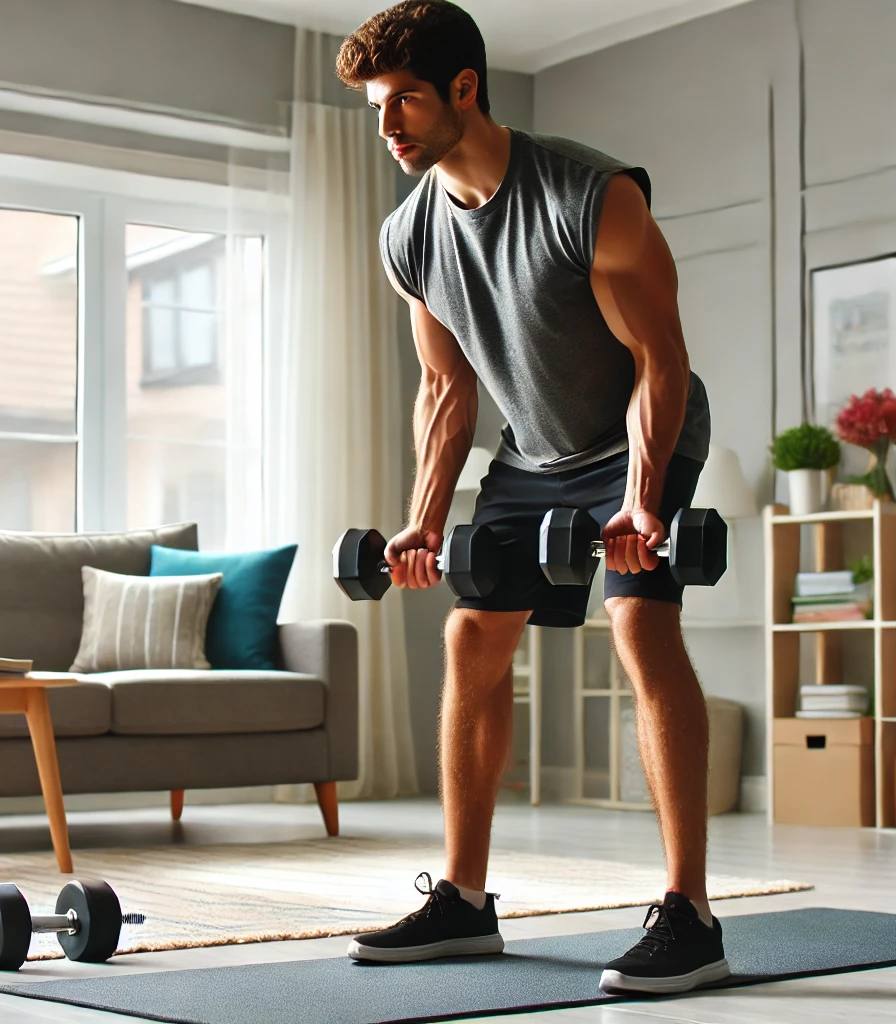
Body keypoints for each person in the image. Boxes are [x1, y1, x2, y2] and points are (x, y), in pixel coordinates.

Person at [334, 0, 726, 998]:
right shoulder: (409, 233)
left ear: (465, 88)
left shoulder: (589, 196)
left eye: (405, 103)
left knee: (640, 627)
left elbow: (658, 359)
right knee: (472, 639)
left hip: (644, 428)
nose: (389, 129)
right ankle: (463, 902)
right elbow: (446, 386)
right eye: (379, 109)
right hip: (532, 455)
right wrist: (424, 516)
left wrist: (640, 501)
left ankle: (688, 911)